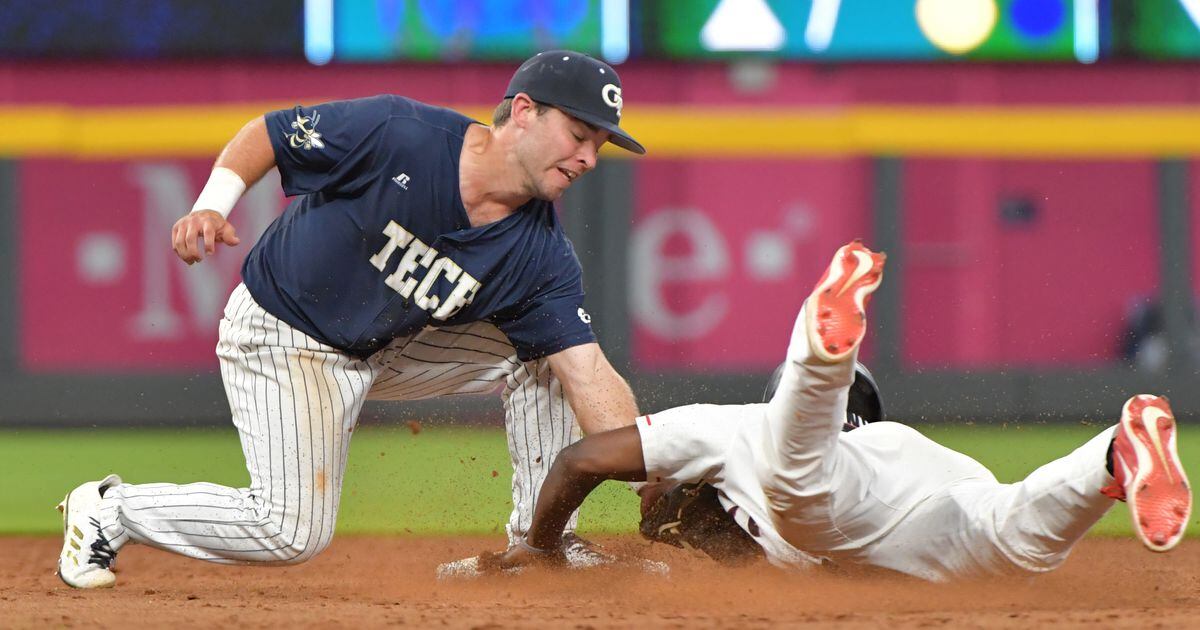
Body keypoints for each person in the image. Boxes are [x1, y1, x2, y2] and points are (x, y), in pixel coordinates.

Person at [55, 50, 649, 589]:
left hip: (388, 345)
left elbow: (587, 373)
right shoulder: (400, 133)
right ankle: (112, 510)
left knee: (548, 356)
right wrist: (211, 203)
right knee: (290, 532)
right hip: (285, 335)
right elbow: (269, 134)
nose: (589, 159)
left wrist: (655, 481)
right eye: (579, 134)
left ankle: (536, 546)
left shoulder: (541, 254)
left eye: (599, 145)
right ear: (523, 111)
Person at [472, 240, 1192, 582]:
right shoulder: (904, 445)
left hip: (829, 484)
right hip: (935, 500)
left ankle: (819, 352)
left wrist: (540, 545)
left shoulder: (735, 425)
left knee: (799, 471)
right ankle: (1112, 456)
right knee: (1015, 539)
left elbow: (578, 459)